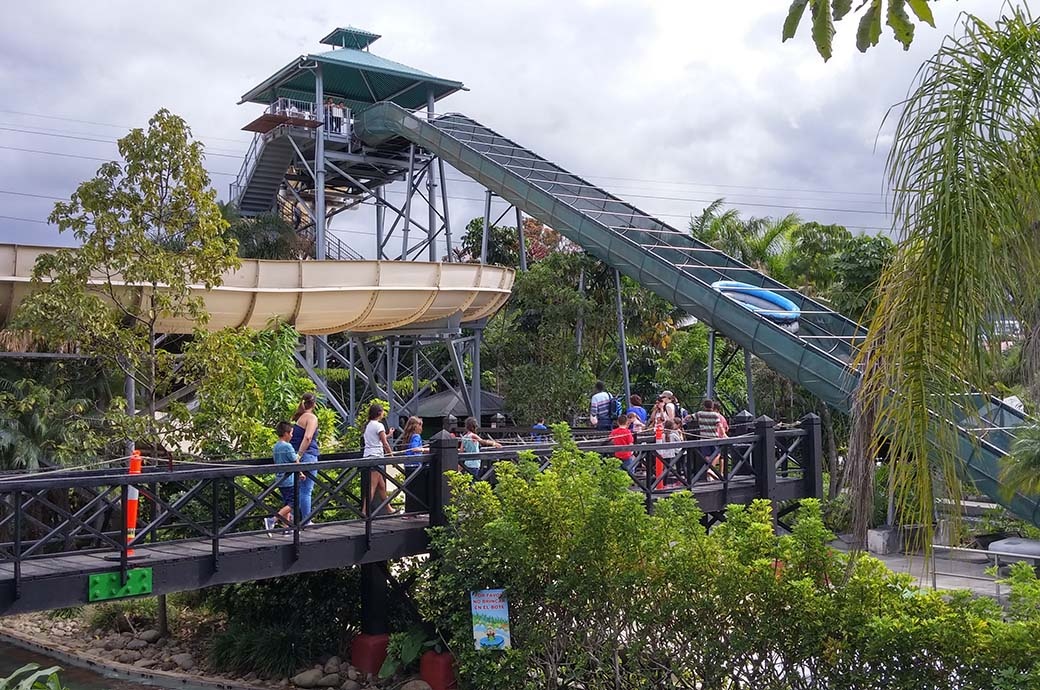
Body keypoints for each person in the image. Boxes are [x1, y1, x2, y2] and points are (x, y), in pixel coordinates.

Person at [265, 421, 305, 534]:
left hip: (280, 479)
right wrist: (301, 472)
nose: (292, 435)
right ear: (286, 433)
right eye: (291, 433)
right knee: (294, 503)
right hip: (289, 480)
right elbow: (294, 460)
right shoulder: (288, 446)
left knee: (287, 503)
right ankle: (272, 520)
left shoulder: (276, 446)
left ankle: (287, 527)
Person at [289, 393, 319, 525]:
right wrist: (300, 455)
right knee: (306, 490)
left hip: (297, 453)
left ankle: (293, 521)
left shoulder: (299, 418)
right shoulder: (311, 418)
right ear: (314, 404)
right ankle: (307, 520)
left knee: (300, 490)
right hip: (308, 454)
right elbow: (308, 437)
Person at [363, 403, 396, 515]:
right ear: (379, 413)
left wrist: (388, 434)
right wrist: (391, 455)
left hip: (368, 455)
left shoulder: (368, 425)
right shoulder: (379, 425)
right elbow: (384, 443)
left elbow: (377, 438)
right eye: (382, 412)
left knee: (381, 485)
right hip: (376, 457)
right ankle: (365, 511)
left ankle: (388, 508)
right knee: (372, 486)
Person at [397, 416, 428, 514]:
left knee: (409, 489)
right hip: (415, 465)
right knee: (417, 490)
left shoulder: (407, 436)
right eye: (420, 425)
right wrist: (425, 449)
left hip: (408, 465)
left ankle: (409, 511)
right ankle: (415, 511)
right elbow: (415, 449)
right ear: (416, 426)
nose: (421, 428)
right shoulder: (416, 436)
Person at [693, 399, 724, 479]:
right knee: (717, 454)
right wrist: (723, 434)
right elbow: (719, 425)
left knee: (707, 456)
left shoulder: (700, 414)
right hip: (713, 438)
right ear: (712, 406)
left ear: (704, 406)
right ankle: (710, 469)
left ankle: (709, 472)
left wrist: (682, 422)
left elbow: (689, 417)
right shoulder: (715, 415)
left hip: (703, 438)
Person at [656, 419, 684, 486]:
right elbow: (680, 441)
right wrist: (680, 434)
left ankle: (662, 483)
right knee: (668, 469)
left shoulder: (662, 435)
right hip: (670, 454)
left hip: (662, 454)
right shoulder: (673, 435)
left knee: (664, 469)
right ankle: (665, 483)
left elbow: (658, 443)